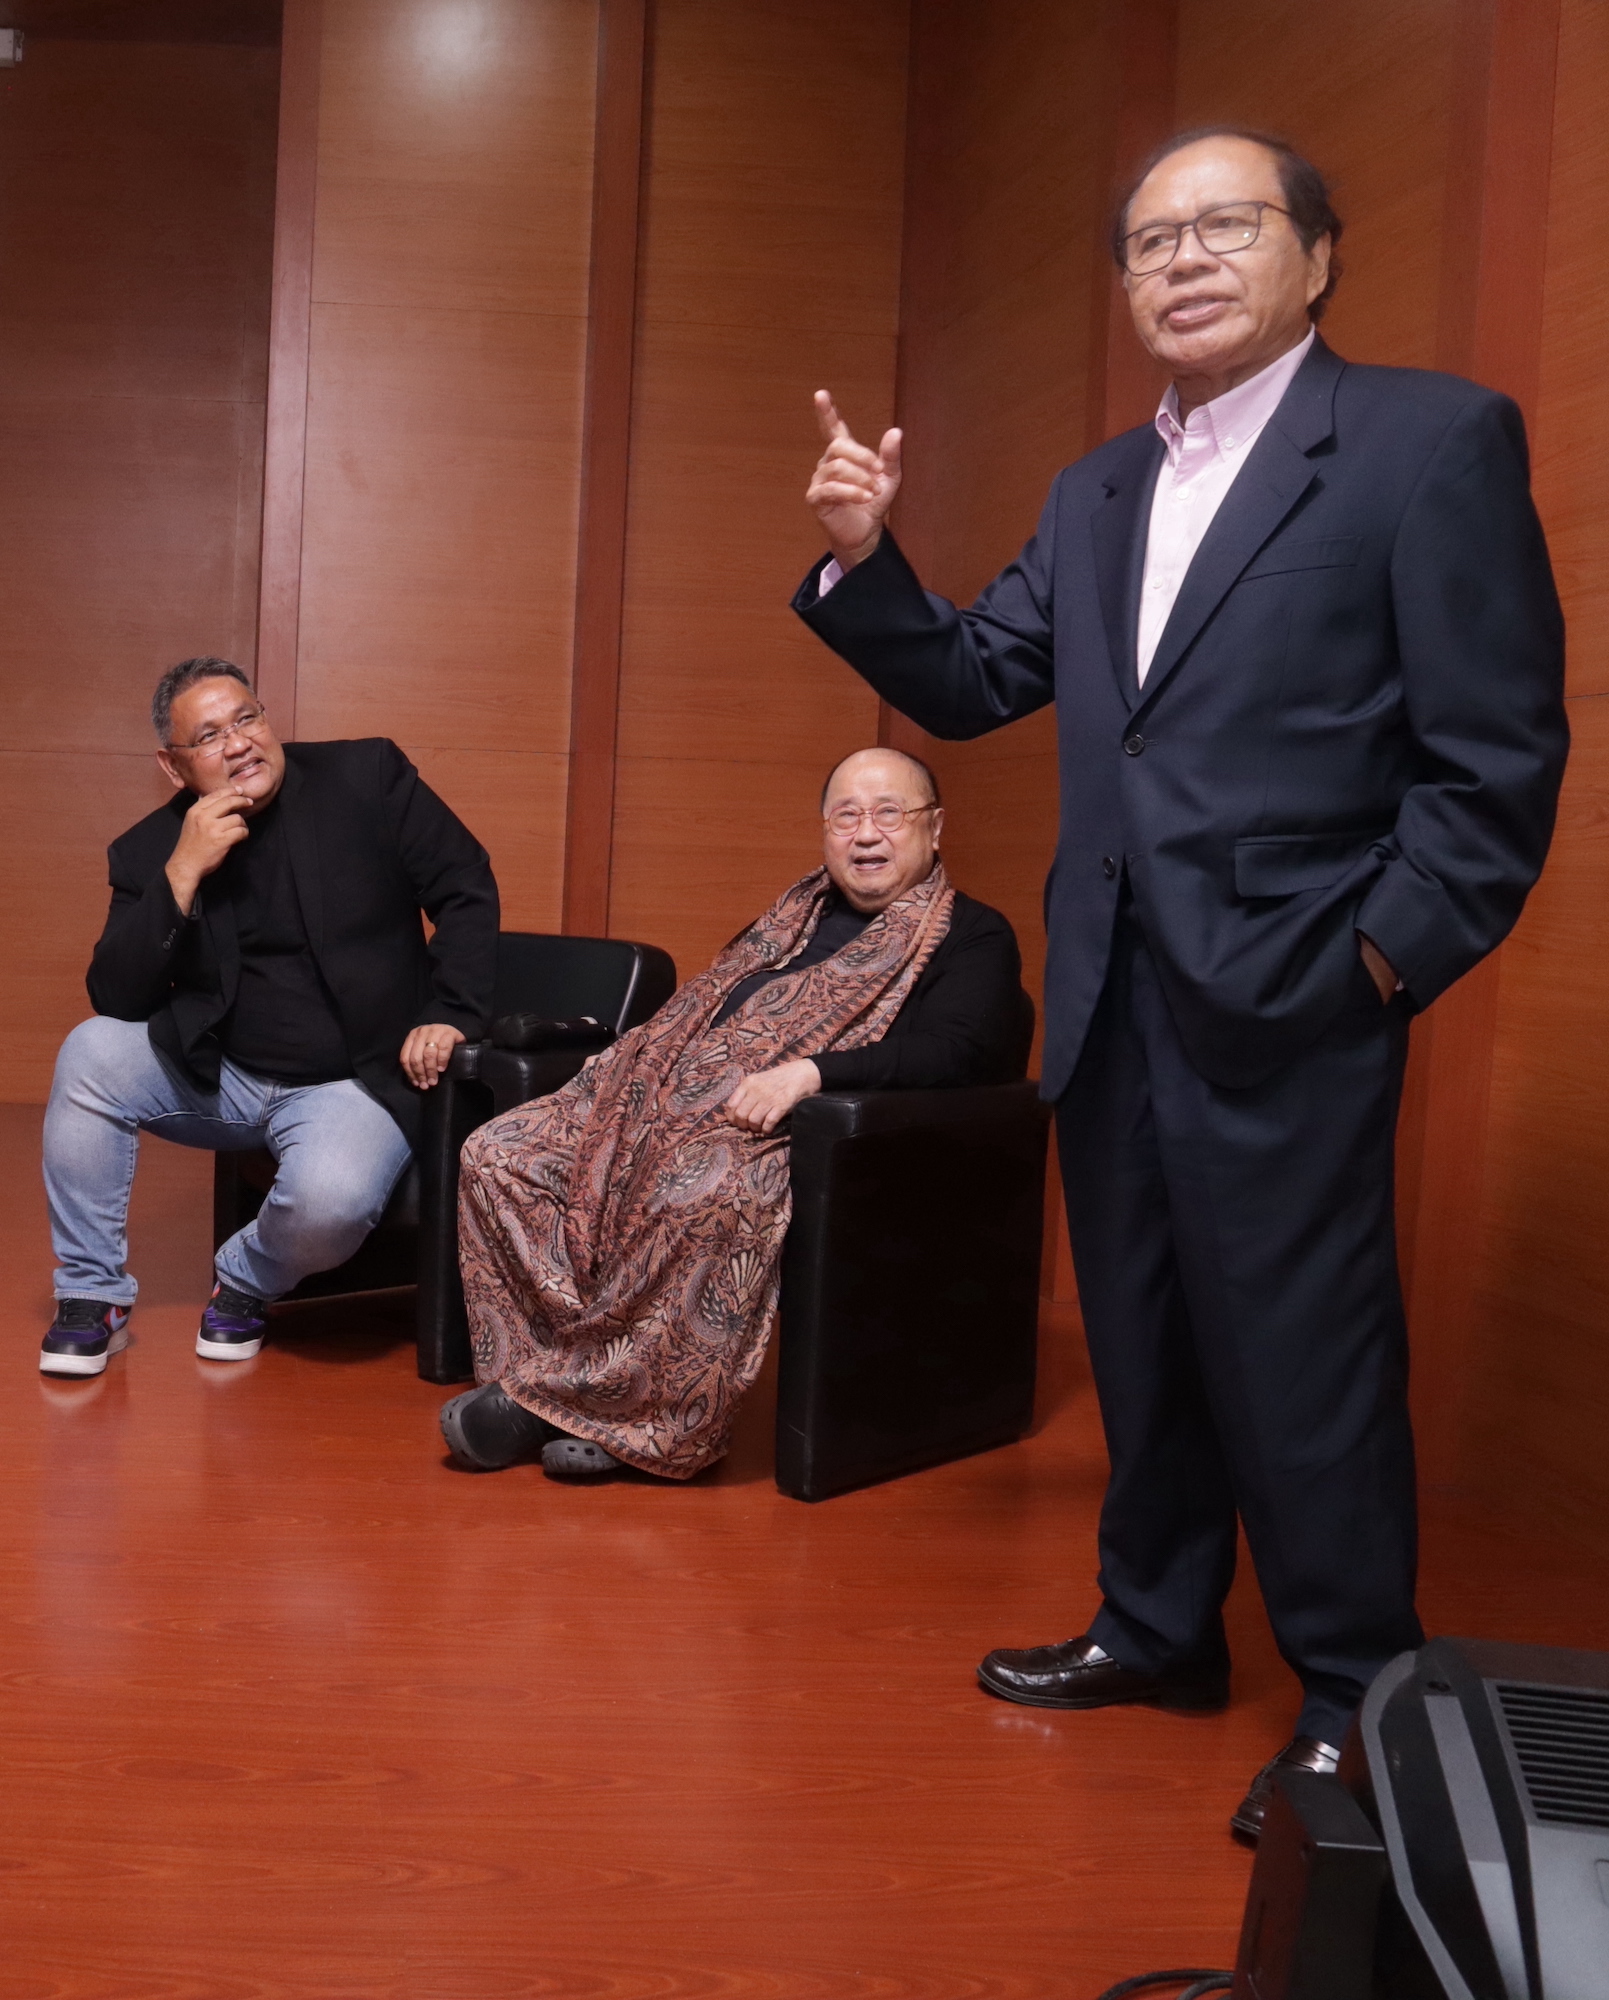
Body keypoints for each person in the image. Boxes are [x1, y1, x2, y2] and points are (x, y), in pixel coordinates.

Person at [792, 128, 1568, 1838]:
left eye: (1225, 224)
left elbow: (1494, 758)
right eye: (1150, 239)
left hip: (1296, 991)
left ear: (1317, 255)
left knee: (1302, 1357)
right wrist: (865, 557)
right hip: (1109, 992)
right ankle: (1154, 1628)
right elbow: (976, 676)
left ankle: (1354, 1693)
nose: (1184, 259)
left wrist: (1377, 960)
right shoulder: (1095, 492)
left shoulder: (1426, 442)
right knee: (1142, 1333)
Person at [440, 747, 1028, 1483]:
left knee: (704, 1191)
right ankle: (550, 1383)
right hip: (664, 1105)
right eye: (846, 815)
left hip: (803, 1132)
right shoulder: (791, 916)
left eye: (889, 813)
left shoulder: (970, 934)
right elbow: (701, 1011)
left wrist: (811, 1073)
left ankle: (633, 1420)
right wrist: (634, 1074)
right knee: (502, 1153)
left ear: (933, 828)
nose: (866, 834)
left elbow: (964, 1050)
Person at [41, 657, 498, 1377]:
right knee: (89, 1050)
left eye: (247, 718)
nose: (239, 743)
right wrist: (182, 873)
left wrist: (451, 1013)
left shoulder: (367, 778)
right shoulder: (149, 850)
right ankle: (91, 1295)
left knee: (330, 1204)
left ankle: (245, 1280)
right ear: (173, 766)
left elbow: (465, 885)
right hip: (221, 1077)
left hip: (352, 1083)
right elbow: (117, 997)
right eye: (209, 736)